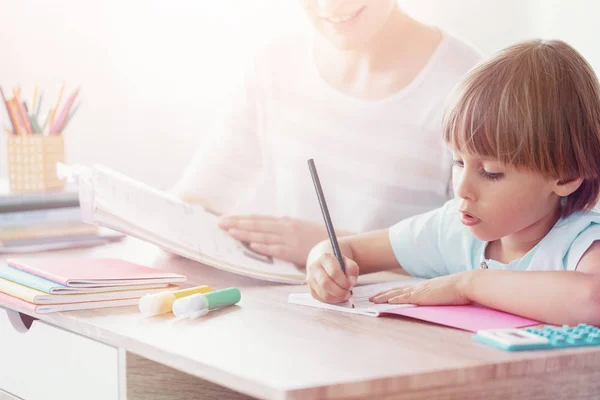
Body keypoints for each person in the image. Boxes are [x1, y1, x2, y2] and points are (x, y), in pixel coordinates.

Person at [306, 39, 600, 325]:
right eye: (458, 162)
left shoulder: (582, 244)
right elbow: (349, 250)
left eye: (490, 172)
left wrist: (468, 285)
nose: (461, 189)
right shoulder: (453, 229)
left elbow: (592, 301)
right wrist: (324, 262)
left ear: (566, 176)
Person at [173, 0, 481, 265]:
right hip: (284, 309)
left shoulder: (470, 88)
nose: (330, 6)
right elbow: (202, 191)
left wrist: (338, 247)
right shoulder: (275, 62)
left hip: (394, 323)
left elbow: (479, 256)